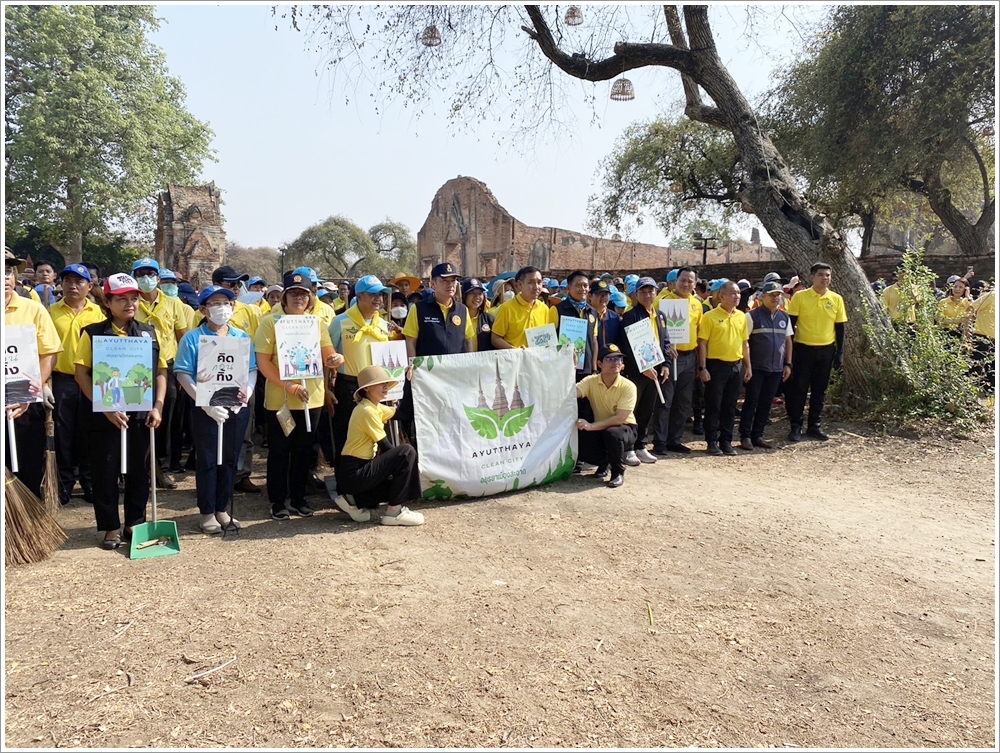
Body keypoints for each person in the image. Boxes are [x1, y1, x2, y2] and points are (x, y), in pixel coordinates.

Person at [74, 273, 167, 550]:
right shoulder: (92, 333)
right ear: (108, 301)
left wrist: (158, 406)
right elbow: (82, 375)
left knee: (140, 470)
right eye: (122, 299)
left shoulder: (149, 333)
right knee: (105, 470)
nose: (130, 304)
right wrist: (106, 408)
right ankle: (111, 527)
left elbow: (161, 371)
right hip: (104, 417)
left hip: (141, 414)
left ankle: (134, 523)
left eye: (134, 298)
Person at [254, 270, 344, 520]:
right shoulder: (270, 322)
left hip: (311, 398)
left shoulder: (317, 323)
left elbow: (329, 354)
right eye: (292, 293)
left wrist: (337, 359)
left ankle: (299, 498)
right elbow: (263, 361)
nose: (298, 298)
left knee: (305, 450)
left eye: (303, 294)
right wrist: (289, 386)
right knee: (280, 451)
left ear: (311, 298)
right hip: (279, 399)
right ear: (283, 297)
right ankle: (277, 501)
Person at [174, 286, 258, 534]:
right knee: (209, 459)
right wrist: (206, 403)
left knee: (231, 458)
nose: (222, 307)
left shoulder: (242, 337)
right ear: (203, 309)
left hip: (235, 406)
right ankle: (207, 511)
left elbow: (251, 368)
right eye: (215, 303)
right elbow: (183, 373)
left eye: (227, 302)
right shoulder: (192, 338)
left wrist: (248, 392)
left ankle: (223, 508)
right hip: (205, 409)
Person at [331, 365, 424, 526]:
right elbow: (387, 447)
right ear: (367, 388)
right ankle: (394, 512)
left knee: (400, 479)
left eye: (386, 383)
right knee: (406, 452)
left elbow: (404, 414)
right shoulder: (366, 411)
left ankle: (354, 499)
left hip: (357, 473)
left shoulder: (375, 407)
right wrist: (412, 465)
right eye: (381, 384)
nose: (386, 387)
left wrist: (408, 383)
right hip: (354, 471)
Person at [4, 249, 62, 497]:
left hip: (24, 402)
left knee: (26, 468)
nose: (4, 277)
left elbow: (49, 353)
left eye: (8, 271)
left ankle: (24, 528)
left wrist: (28, 393)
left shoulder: (33, 310)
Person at [48, 263, 105, 504]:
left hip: (91, 379)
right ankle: (64, 484)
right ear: (61, 284)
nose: (73, 286)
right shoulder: (50, 312)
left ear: (89, 286)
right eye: (67, 281)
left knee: (90, 432)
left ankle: (90, 482)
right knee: (63, 434)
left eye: (79, 281)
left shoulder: (100, 313)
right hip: (62, 382)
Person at [131, 257, 190, 488]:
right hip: (137, 368)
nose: (146, 278)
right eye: (141, 274)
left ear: (158, 277)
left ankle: (163, 466)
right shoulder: (131, 302)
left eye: (151, 274)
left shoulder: (174, 303)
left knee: (167, 416)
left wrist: (185, 372)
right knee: (138, 417)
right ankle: (139, 468)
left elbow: (182, 337)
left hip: (169, 366)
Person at [328, 275, 393, 459]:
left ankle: (373, 481)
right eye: (372, 294)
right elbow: (327, 355)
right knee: (347, 435)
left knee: (377, 434)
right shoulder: (340, 321)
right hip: (349, 387)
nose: (378, 299)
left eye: (381, 294)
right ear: (359, 296)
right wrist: (326, 389)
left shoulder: (382, 324)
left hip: (378, 389)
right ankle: (345, 482)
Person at [784, 262, 847, 442]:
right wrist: (789, 352)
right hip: (803, 349)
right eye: (821, 275)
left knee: (820, 391)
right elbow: (790, 325)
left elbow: (840, 327)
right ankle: (796, 426)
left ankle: (814, 426)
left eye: (827, 275)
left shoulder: (836, 299)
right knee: (799, 389)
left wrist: (840, 352)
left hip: (826, 350)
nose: (825, 278)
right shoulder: (800, 297)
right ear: (812, 277)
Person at [616, 277, 671, 466]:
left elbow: (665, 343)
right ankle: (628, 448)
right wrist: (642, 368)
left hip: (656, 371)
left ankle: (641, 445)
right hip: (637, 373)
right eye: (643, 292)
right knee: (632, 410)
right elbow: (628, 348)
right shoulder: (631, 316)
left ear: (656, 293)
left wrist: (666, 365)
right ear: (636, 295)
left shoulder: (661, 316)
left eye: (651, 292)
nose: (647, 295)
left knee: (647, 410)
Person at [697, 280, 752, 456]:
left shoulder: (741, 316)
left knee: (730, 405)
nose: (737, 296)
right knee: (714, 405)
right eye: (733, 293)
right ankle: (712, 441)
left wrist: (747, 366)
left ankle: (726, 440)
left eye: (738, 293)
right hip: (716, 365)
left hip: (735, 366)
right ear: (721, 296)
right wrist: (702, 367)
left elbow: (745, 344)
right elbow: (702, 343)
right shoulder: (710, 317)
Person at [652, 266, 703, 455]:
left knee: (683, 401)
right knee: (666, 400)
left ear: (695, 284)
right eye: (683, 280)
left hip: (690, 357)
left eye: (690, 281)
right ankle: (660, 441)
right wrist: (666, 350)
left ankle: (675, 439)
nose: (686, 284)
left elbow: (698, 331)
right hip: (671, 358)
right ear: (675, 281)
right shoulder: (663, 301)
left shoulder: (697, 303)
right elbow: (655, 328)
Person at [739, 281, 793, 450]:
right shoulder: (752, 316)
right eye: (771, 295)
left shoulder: (784, 317)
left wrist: (788, 364)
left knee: (766, 402)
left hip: (776, 368)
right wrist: (747, 366)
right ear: (762, 297)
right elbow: (744, 342)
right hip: (757, 367)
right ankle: (745, 436)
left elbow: (788, 341)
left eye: (778, 295)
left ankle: (758, 435)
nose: (775, 298)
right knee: (751, 401)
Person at [575, 345, 639, 489]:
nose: (615, 362)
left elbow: (620, 419)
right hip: (601, 428)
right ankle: (605, 462)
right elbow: (572, 394)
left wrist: (591, 426)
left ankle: (618, 472)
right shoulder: (590, 381)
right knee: (580, 438)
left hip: (625, 429)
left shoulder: (628, 386)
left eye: (619, 359)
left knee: (613, 434)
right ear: (599, 364)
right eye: (610, 359)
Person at [491, 266, 549, 349]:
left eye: (539, 282)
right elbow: (495, 339)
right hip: (514, 360)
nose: (536, 287)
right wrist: (515, 351)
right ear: (519, 285)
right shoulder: (506, 308)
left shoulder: (544, 309)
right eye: (531, 282)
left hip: (537, 360)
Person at [462, 277, 494, 352]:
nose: (477, 297)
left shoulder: (489, 319)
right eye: (472, 293)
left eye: (480, 293)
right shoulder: (457, 319)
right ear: (464, 296)